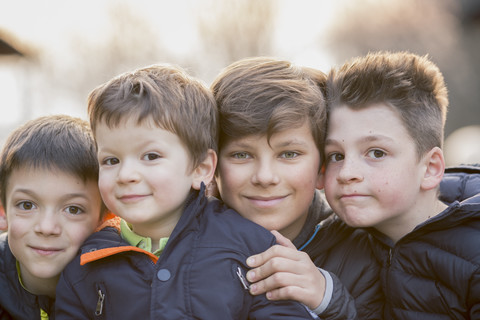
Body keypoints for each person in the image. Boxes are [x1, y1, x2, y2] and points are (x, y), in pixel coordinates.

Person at [55, 63, 314, 319]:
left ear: (201, 168)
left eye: (151, 156)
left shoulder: (251, 247)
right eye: (111, 160)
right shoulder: (86, 263)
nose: (126, 175)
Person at [210, 56, 383, 319]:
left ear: (321, 169)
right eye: (241, 154)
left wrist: (328, 300)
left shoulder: (364, 255)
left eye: (289, 154)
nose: (265, 177)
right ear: (210, 166)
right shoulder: (177, 242)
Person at [323, 51, 480, 318]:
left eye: (376, 153)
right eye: (336, 156)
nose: (346, 173)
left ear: (430, 168)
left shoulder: (473, 261)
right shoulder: (333, 243)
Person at [0, 115, 105, 320]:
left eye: (73, 209)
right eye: (27, 205)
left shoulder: (123, 288)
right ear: (3, 212)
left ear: (104, 218)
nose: (47, 227)